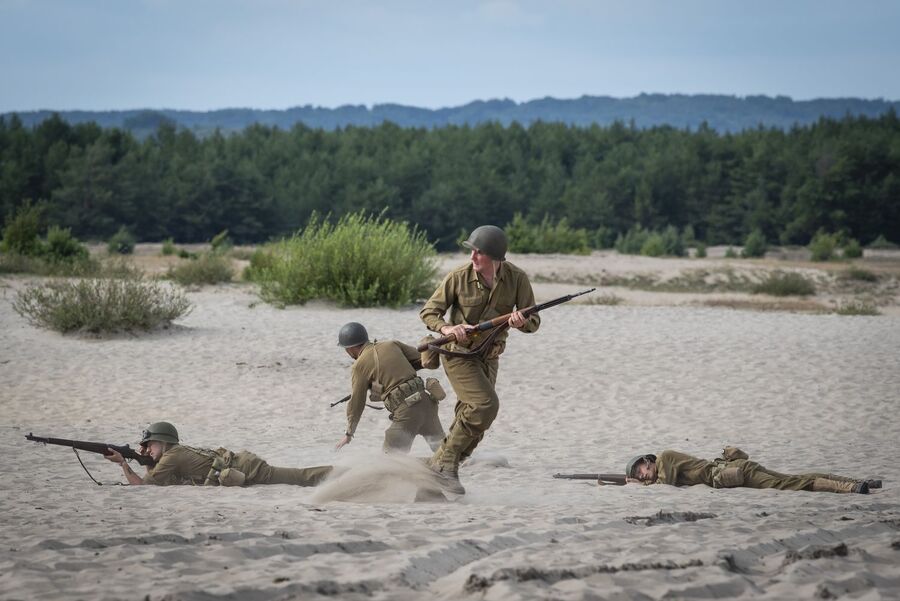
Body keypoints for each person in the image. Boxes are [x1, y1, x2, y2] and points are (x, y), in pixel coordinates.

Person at [419, 225, 540, 494]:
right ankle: (445, 464)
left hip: (490, 357)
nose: (472, 257)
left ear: (494, 257)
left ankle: (441, 465)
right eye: (472, 251)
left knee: (476, 418)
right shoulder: (458, 277)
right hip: (458, 354)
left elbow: (534, 321)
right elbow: (429, 311)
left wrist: (521, 322)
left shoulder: (517, 279)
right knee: (485, 405)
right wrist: (447, 328)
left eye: (478, 252)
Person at [104, 422, 332, 486]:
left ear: (164, 442)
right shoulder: (171, 455)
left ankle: (338, 474)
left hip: (247, 467)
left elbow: (144, 485)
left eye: (149, 445)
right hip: (239, 464)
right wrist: (145, 460)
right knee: (297, 476)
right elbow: (155, 479)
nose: (147, 449)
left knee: (298, 477)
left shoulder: (173, 456)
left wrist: (123, 464)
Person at [335, 322, 446, 453]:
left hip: (407, 411)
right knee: (445, 452)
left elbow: (356, 402)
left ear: (350, 348)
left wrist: (349, 433)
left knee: (390, 459)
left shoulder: (359, 366)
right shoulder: (392, 344)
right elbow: (422, 359)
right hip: (427, 403)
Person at [625, 448, 881, 494]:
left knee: (786, 484)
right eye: (639, 475)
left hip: (738, 472)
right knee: (794, 478)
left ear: (648, 460)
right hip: (738, 469)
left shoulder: (665, 458)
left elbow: (666, 485)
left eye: (642, 469)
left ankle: (850, 487)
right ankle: (861, 482)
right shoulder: (662, 468)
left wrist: (641, 486)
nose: (643, 475)